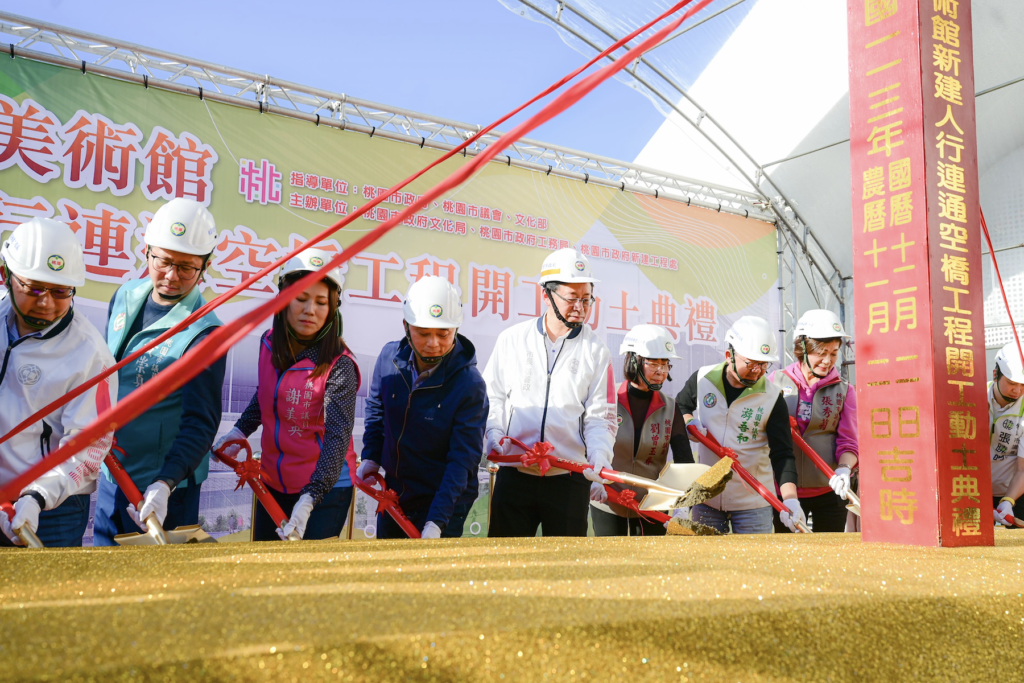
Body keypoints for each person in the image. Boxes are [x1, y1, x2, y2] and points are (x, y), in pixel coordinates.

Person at [93, 198, 225, 546]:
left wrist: (165, 483)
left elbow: (202, 422)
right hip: (113, 469)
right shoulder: (126, 295)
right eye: (163, 261)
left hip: (166, 488)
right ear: (147, 251)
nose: (170, 276)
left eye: (186, 267)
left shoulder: (205, 333)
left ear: (204, 267)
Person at [213, 249, 359, 541]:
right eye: (301, 299)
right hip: (273, 480)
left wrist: (310, 497)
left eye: (321, 302)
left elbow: (336, 438)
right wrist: (239, 430)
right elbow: (267, 395)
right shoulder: (269, 344)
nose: (310, 310)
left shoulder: (339, 365)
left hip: (325, 489)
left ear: (333, 308)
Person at [0, 218, 118, 547]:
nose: (46, 302)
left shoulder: (90, 356)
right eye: (34, 287)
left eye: (60, 291)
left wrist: (36, 496)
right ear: (4, 275)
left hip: (49, 509)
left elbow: (89, 448)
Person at [483, 248, 616, 537]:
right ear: (546, 294)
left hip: (569, 480)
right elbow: (492, 396)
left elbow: (600, 417)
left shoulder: (597, 351)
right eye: (572, 299)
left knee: (567, 571)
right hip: (516, 475)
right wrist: (493, 434)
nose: (580, 307)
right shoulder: (512, 340)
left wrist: (600, 455)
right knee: (506, 565)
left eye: (587, 299)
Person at [359, 275, 487, 539]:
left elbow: (462, 460)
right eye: (423, 333)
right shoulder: (389, 358)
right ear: (406, 326)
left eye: (443, 334)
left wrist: (437, 522)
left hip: (445, 500)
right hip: (396, 493)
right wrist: (371, 454)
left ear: (456, 329)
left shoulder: (469, 384)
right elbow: (376, 408)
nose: (433, 343)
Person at [677, 316, 802, 534]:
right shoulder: (703, 379)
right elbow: (680, 407)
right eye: (751, 363)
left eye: (764, 364)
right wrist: (689, 423)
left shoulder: (772, 398)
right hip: (707, 498)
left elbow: (782, 454)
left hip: (753, 503)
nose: (757, 370)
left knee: (755, 565)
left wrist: (790, 499)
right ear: (729, 356)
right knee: (707, 564)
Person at [591, 324, 692, 537]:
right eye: (654, 363)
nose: (661, 371)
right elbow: (585, 442)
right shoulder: (608, 399)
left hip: (652, 503)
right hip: (608, 498)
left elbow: (684, 460)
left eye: (665, 365)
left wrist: (684, 503)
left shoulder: (670, 407)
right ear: (634, 361)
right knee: (609, 564)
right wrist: (592, 481)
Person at [767, 309, 857, 533]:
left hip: (829, 491)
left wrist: (844, 469)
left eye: (834, 353)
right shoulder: (774, 382)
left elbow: (849, 442)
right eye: (821, 352)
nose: (828, 361)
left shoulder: (845, 391)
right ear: (802, 348)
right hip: (784, 491)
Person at [989, 343, 1024, 526]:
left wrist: (1007, 501)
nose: (1017, 391)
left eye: (1023, 385)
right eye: (1011, 383)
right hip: (968, 491)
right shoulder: (969, 397)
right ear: (996, 375)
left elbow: (1022, 468)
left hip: (1013, 494)